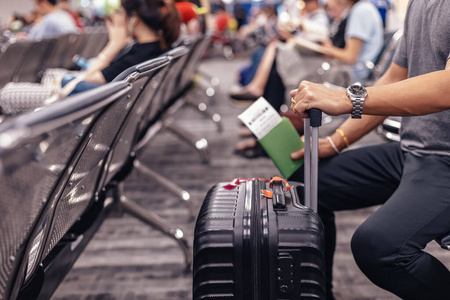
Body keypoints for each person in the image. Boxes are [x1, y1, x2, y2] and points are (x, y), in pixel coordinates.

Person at [289, 0, 450, 299]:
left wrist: (348, 97)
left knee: (378, 247)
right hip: (412, 152)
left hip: (445, 161)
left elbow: (447, 87)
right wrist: (336, 142)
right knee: (305, 185)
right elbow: (394, 78)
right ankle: (319, 293)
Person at [230, 0, 383, 102]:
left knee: (279, 60)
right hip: (343, 66)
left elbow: (350, 56)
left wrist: (326, 49)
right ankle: (267, 126)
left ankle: (267, 125)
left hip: (348, 72)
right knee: (280, 58)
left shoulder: (360, 11)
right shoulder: (360, 9)